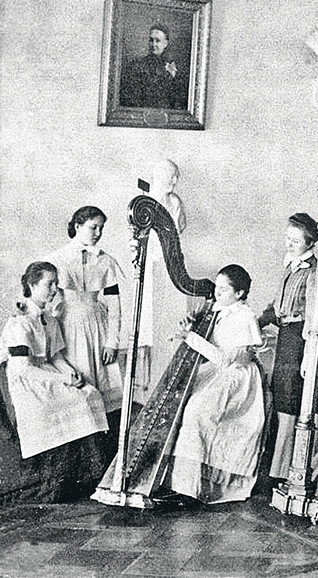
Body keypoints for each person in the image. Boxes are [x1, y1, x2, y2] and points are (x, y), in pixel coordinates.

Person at [0, 262, 108, 500]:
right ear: (32, 285)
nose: (54, 289)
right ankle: (58, 480)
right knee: (68, 401)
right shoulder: (20, 322)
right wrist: (63, 379)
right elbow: (22, 368)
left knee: (89, 393)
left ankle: (89, 476)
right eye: (49, 284)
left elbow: (56, 356)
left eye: (56, 284)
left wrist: (72, 374)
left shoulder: (49, 319)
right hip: (26, 381)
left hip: (46, 372)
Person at [166, 265, 266, 504]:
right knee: (183, 406)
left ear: (239, 293)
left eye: (224, 289)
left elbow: (225, 360)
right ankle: (181, 484)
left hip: (237, 378)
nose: (216, 292)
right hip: (216, 373)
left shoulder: (245, 317)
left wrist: (190, 337)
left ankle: (194, 488)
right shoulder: (217, 310)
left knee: (197, 413)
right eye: (217, 287)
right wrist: (191, 324)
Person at [46, 206, 125, 462]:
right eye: (93, 227)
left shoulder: (106, 261)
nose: (98, 233)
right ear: (78, 226)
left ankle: (104, 456)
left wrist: (112, 342)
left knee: (102, 385)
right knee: (78, 385)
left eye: (101, 228)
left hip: (97, 326)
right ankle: (80, 458)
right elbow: (47, 299)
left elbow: (114, 305)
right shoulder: (57, 259)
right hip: (69, 327)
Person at [258, 213, 318, 481]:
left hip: (302, 340)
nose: (289, 244)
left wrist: (309, 353)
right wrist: (256, 322)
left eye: (295, 241)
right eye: (288, 238)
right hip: (287, 337)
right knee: (283, 397)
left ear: (310, 243)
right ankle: (278, 467)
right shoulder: (290, 265)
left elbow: (314, 316)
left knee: (294, 399)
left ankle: (294, 466)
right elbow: (278, 305)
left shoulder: (315, 271)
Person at [137, 159, 187, 404]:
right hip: (151, 267)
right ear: (158, 176)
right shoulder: (144, 202)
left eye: (177, 176)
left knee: (171, 319)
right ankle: (146, 384)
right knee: (149, 322)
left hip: (170, 266)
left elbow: (177, 232)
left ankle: (168, 378)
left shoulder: (175, 203)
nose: (174, 181)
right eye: (171, 176)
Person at [119, 23, 188, 109]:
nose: (153, 44)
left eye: (157, 41)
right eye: (151, 40)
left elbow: (178, 98)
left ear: (165, 43)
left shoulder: (173, 66)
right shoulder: (138, 65)